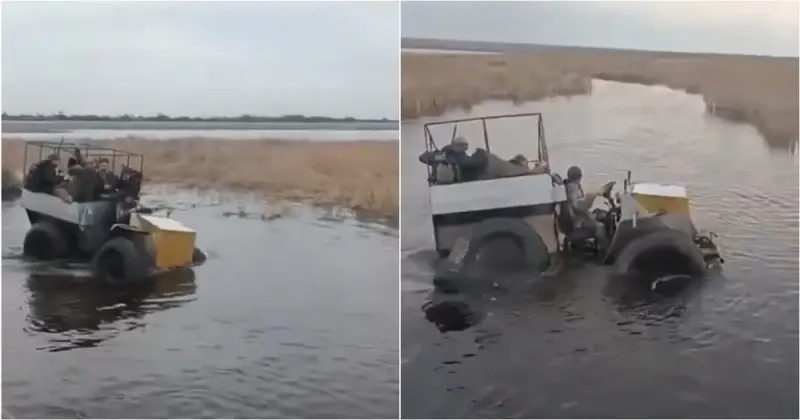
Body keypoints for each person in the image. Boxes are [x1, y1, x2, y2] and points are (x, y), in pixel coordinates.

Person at [564, 165, 615, 251]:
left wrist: (595, 194)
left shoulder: (572, 186)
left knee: (603, 214)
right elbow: (578, 206)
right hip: (578, 222)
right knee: (600, 227)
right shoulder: (572, 188)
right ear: (579, 176)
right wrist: (591, 196)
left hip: (580, 217)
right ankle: (604, 251)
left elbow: (581, 203)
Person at [418, 136, 488, 182]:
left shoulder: (445, 155)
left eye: (465, 146)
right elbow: (423, 157)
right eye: (462, 146)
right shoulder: (444, 155)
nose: (464, 148)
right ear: (455, 145)